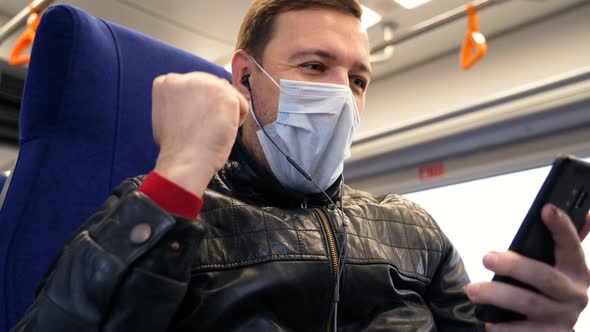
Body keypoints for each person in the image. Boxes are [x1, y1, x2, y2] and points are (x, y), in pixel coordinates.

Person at [11, 0, 590, 331]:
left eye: (358, 79)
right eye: (315, 67)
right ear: (243, 77)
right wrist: (181, 170)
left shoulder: (414, 230)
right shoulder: (165, 205)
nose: (342, 95)